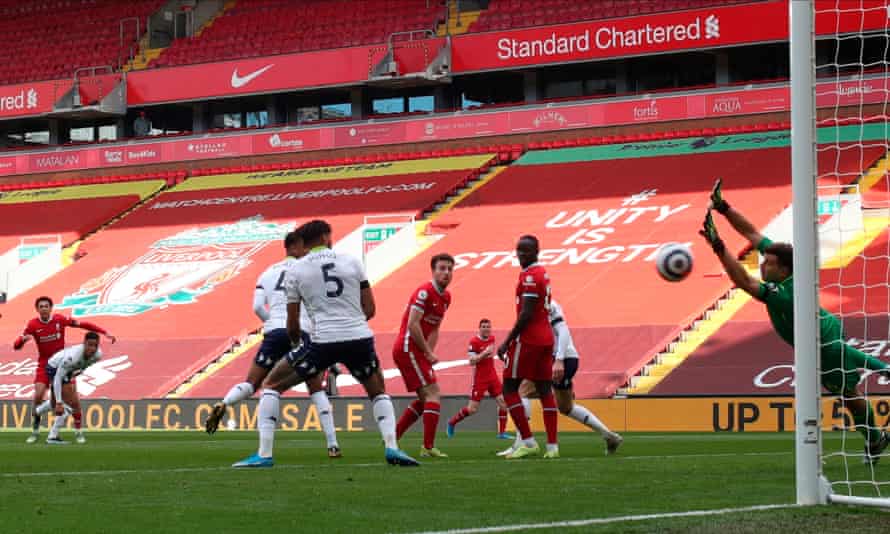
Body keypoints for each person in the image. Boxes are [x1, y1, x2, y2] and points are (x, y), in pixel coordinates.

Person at [700, 179, 890, 464]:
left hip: (820, 340)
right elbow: (752, 233)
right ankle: (874, 434)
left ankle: (866, 437)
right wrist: (722, 207)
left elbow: (741, 280)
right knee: (847, 392)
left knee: (847, 391)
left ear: (783, 269)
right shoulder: (786, 270)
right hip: (823, 330)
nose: (762, 264)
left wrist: (717, 244)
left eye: (768, 263)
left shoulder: (784, 294)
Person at [232, 220, 418, 467]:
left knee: (272, 384)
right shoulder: (352, 261)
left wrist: (299, 345)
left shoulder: (296, 271)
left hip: (322, 342)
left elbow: (293, 323)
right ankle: (392, 448)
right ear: (326, 237)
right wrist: (350, 323)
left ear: (304, 242)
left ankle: (264, 455)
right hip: (358, 337)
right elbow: (370, 309)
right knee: (377, 391)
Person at [204, 230, 340, 457]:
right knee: (315, 386)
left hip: (274, 332)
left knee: (253, 383)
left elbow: (257, 307)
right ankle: (332, 444)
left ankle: (225, 403)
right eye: (303, 246)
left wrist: (273, 324)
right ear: (295, 247)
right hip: (301, 332)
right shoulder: (307, 270)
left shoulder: (267, 273)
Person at [498, 300, 623, 457]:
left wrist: (559, 359)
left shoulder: (546, 304)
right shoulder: (540, 304)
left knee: (521, 391)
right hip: (567, 358)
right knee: (566, 407)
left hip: (557, 357)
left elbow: (562, 330)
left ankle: (521, 443)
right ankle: (609, 436)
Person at [14, 296, 115, 444]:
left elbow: (83, 324)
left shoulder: (60, 320)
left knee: (73, 401)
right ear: (37, 309)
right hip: (44, 364)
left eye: (46, 306)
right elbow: (16, 346)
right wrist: (21, 341)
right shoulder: (32, 325)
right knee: (38, 395)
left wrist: (104, 332)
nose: (44, 308)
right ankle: (35, 430)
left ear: (51, 308)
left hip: (63, 363)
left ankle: (78, 432)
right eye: (41, 306)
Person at [497, 235, 560, 459]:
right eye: (519, 251)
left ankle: (528, 441)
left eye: (525, 251)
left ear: (536, 251)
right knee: (544, 390)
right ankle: (552, 447)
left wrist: (507, 341)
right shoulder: (542, 272)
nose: (521, 255)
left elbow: (526, 314)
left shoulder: (531, 277)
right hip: (546, 339)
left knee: (509, 388)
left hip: (529, 339)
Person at [393, 253, 455, 458]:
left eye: (449, 269)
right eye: (442, 268)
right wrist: (426, 351)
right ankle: (427, 448)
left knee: (425, 399)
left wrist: (429, 353)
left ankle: (393, 437)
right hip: (407, 347)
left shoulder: (446, 297)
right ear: (433, 271)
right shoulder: (424, 292)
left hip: (417, 350)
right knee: (433, 394)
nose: (446, 273)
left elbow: (435, 327)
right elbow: (413, 324)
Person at [446, 318, 511, 439]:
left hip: (492, 377)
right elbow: (471, 361)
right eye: (484, 327)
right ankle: (452, 422)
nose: (487, 329)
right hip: (480, 379)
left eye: (488, 327)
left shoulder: (492, 338)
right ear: (479, 328)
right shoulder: (474, 342)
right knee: (472, 409)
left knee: (503, 403)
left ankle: (501, 433)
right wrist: (484, 354)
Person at [44, 332, 105, 444]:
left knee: (73, 405)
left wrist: (78, 371)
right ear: (84, 343)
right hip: (53, 368)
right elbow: (58, 377)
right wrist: (59, 402)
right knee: (65, 407)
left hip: (69, 371)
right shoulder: (72, 357)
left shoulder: (98, 355)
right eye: (89, 345)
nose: (92, 348)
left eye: (95, 345)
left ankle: (41, 412)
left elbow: (86, 364)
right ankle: (52, 437)